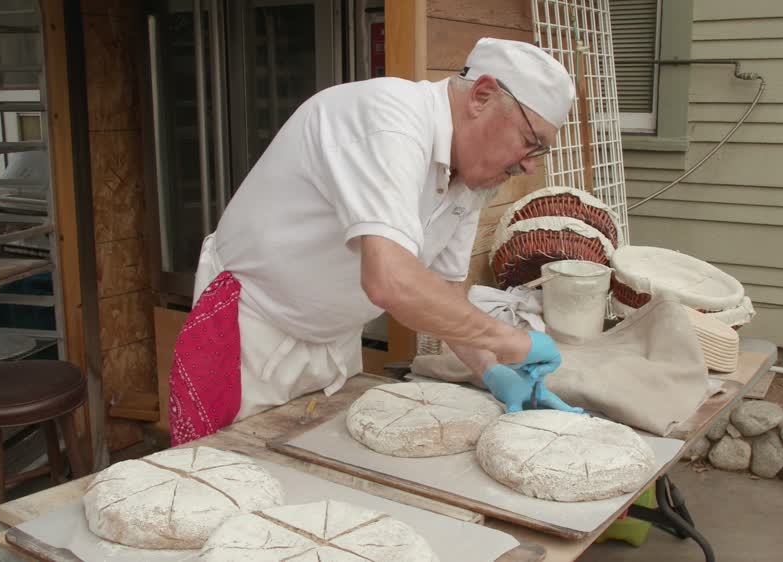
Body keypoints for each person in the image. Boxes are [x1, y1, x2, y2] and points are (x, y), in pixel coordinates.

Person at [169, 37, 581, 446]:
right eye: (531, 143)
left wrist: (491, 372)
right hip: (250, 335)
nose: (529, 165)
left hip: (333, 342)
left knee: (317, 478)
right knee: (226, 474)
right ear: (482, 95)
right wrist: (511, 340)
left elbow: (444, 294)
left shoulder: (470, 179)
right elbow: (389, 280)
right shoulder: (388, 119)